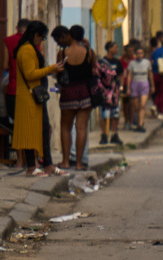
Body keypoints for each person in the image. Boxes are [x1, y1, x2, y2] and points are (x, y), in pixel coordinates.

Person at [11, 21, 66, 175]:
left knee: (43, 129)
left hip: (34, 96)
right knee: (30, 132)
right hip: (29, 97)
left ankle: (47, 164)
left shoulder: (29, 49)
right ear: (36, 35)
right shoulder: (27, 50)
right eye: (41, 38)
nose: (41, 41)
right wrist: (51, 68)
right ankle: (31, 166)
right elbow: (30, 74)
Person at [57, 25, 95, 170]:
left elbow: (58, 73)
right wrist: (89, 48)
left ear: (70, 36)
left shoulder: (62, 53)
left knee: (65, 128)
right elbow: (93, 69)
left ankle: (66, 161)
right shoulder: (89, 53)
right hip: (85, 93)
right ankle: (79, 163)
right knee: (81, 128)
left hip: (68, 93)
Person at [1, 19, 31, 132]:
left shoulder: (8, 41)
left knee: (16, 125)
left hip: (13, 88)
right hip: (30, 89)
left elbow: (5, 65)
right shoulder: (35, 42)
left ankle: (2, 117)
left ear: (17, 28)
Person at [99, 41, 124, 146]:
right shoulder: (102, 62)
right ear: (109, 49)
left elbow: (121, 74)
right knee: (104, 114)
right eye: (115, 47)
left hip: (115, 91)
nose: (116, 49)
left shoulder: (117, 62)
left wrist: (121, 86)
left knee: (115, 114)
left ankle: (114, 134)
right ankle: (104, 135)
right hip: (104, 91)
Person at [126, 47, 152, 132]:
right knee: (137, 107)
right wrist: (128, 87)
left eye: (141, 53)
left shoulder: (147, 62)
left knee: (142, 105)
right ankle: (138, 123)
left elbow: (150, 74)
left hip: (144, 83)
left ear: (143, 54)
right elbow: (129, 75)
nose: (139, 55)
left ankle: (140, 124)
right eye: (138, 53)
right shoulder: (132, 63)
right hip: (135, 84)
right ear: (135, 54)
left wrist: (153, 85)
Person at [121, 42, 137, 130]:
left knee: (132, 103)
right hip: (123, 83)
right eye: (129, 51)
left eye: (132, 51)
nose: (131, 53)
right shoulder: (121, 60)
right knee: (125, 104)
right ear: (126, 51)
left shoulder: (134, 60)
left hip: (132, 83)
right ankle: (126, 120)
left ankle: (131, 121)